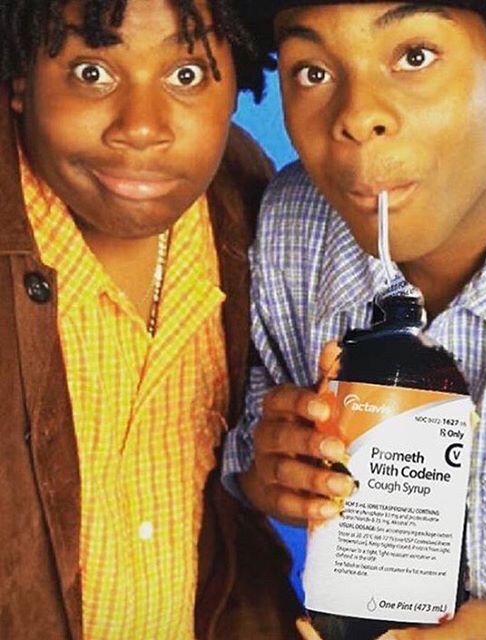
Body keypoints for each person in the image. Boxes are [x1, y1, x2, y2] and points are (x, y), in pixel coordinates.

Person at [223, 0, 486, 638]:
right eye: (312, 72)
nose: (357, 116)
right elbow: (247, 446)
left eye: (415, 56)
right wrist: (273, 471)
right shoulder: (291, 230)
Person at [0, 0, 303, 638]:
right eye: (92, 73)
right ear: (21, 79)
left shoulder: (252, 205)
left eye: (186, 75)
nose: (141, 128)